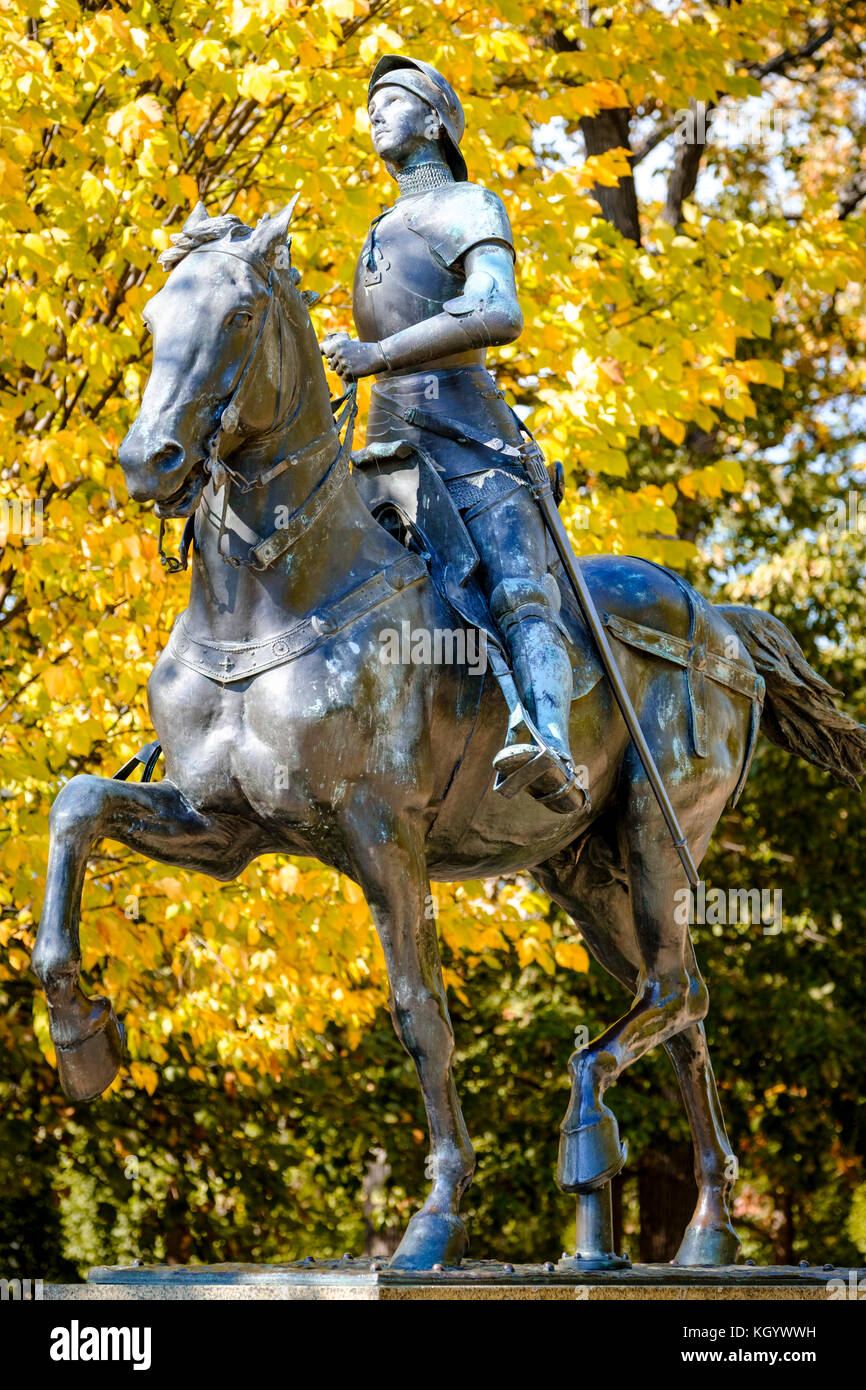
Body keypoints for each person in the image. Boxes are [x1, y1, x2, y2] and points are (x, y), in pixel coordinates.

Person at [322, 55, 585, 814]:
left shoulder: (471, 204)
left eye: (393, 100)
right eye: (370, 103)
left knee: (517, 594)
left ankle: (552, 747)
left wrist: (375, 355)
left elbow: (498, 310)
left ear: (435, 122)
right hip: (384, 453)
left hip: (469, 445)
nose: (374, 112)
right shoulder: (379, 226)